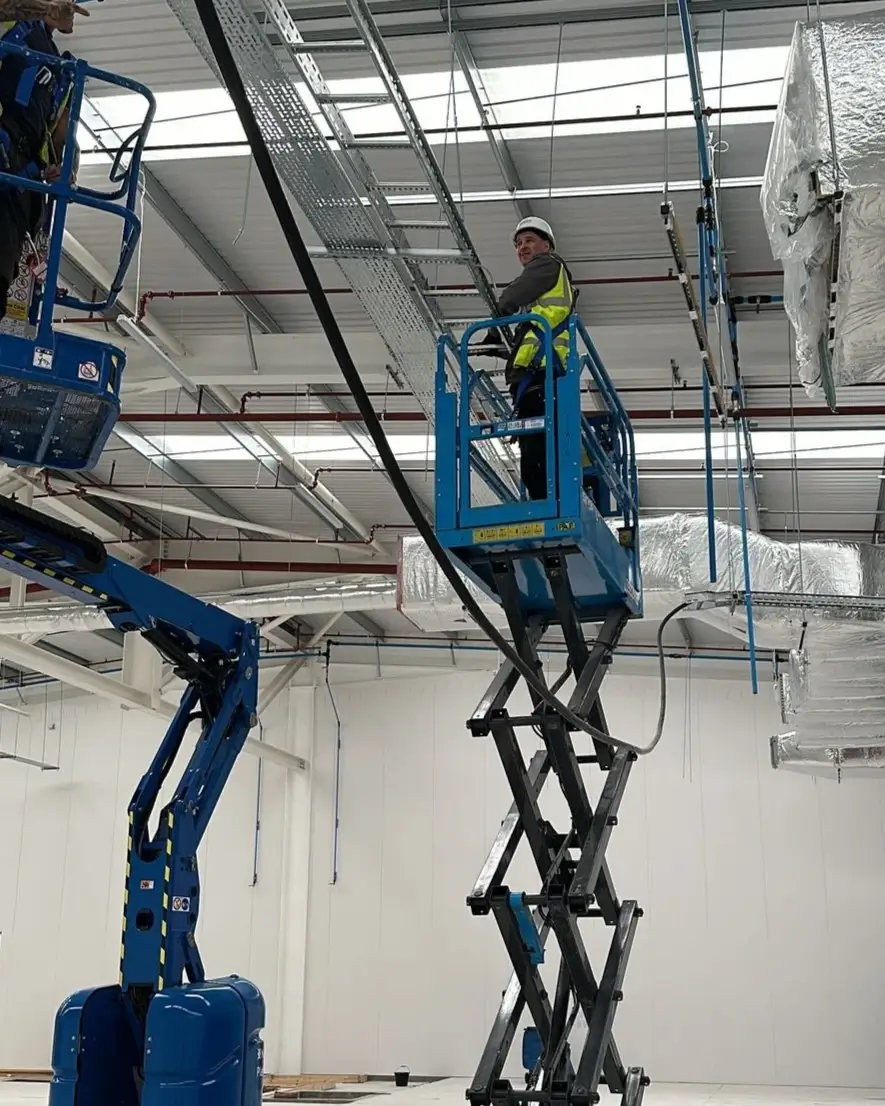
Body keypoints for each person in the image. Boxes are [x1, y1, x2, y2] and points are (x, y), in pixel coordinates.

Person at [0, 0, 89, 319]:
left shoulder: (61, 67)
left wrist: (68, 170)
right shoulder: (10, 26)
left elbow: (64, 133)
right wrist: (38, 10)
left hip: (19, 186)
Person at [479, 216, 576, 501]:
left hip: (542, 376)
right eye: (519, 243)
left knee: (536, 453)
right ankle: (547, 502)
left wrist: (496, 323)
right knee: (537, 450)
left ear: (546, 245)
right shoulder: (542, 296)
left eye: (529, 241)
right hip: (539, 375)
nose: (522, 247)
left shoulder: (548, 264)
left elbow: (514, 293)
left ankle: (545, 504)